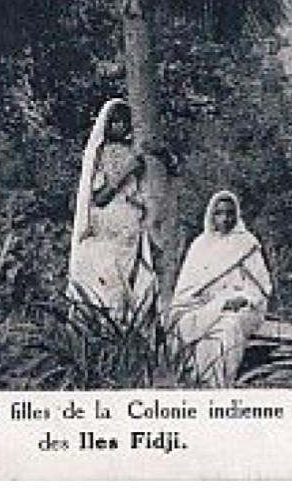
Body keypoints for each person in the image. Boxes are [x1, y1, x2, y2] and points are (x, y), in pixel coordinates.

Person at [170, 190, 271, 386]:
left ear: (237, 215)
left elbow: (261, 287)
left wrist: (244, 299)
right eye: (219, 213)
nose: (225, 219)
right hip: (206, 304)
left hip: (241, 306)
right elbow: (187, 287)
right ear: (211, 215)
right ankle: (194, 379)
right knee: (184, 322)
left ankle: (219, 383)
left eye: (229, 213)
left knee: (228, 328)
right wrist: (196, 300)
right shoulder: (200, 244)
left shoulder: (247, 244)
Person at [68, 98, 157, 317]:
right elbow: (99, 198)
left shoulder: (135, 154)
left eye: (124, 121)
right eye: (114, 121)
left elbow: (144, 192)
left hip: (130, 232)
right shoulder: (98, 155)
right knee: (107, 289)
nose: (119, 126)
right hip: (106, 234)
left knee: (133, 287)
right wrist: (125, 171)